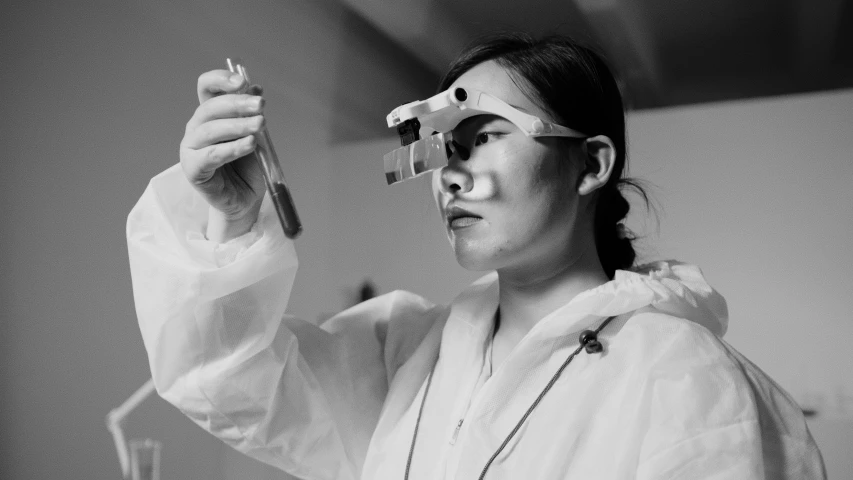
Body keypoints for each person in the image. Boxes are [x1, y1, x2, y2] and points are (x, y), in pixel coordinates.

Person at [127, 33, 826, 479]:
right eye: (442, 147)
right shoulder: (408, 354)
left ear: (590, 165)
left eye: (485, 134)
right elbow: (226, 379)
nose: (452, 175)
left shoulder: (683, 376)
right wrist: (232, 215)